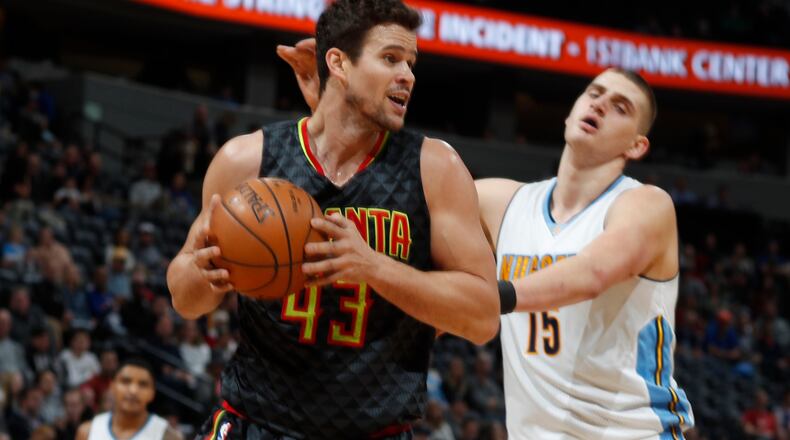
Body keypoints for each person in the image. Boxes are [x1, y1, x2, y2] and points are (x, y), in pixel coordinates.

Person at [281, 45, 694, 437]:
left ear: (637, 145)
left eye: (620, 107)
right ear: (571, 112)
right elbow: (394, 190)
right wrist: (335, 106)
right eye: (594, 93)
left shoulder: (645, 204)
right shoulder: (503, 202)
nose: (600, 105)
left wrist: (479, 299)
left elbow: (592, 273)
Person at [166, 0, 499, 438]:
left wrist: (374, 267)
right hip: (256, 423)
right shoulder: (246, 159)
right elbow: (186, 301)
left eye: (412, 63)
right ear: (339, 63)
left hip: (374, 429)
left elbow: (482, 318)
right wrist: (201, 273)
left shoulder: (434, 168)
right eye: (391, 58)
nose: (408, 76)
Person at [75, 358, 182, 440]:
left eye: (143, 384)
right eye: (126, 381)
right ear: (112, 386)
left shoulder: (168, 436)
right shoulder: (87, 431)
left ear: (152, 393)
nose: (133, 390)